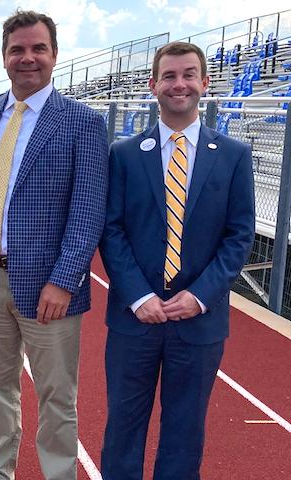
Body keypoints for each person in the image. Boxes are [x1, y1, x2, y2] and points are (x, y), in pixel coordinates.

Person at [0, 9, 108, 480]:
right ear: (3, 58)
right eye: (17, 49)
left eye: (38, 48)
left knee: (57, 397)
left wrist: (63, 281)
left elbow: (88, 211)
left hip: (50, 290)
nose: (28, 58)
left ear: (55, 55)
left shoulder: (82, 122)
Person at [98, 42, 255, 480]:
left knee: (185, 433)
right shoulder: (125, 154)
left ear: (205, 83)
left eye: (189, 75)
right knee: (123, 430)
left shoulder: (234, 155)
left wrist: (201, 296)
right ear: (153, 86)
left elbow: (239, 235)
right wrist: (138, 295)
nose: (179, 84)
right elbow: (111, 231)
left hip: (199, 322)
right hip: (135, 319)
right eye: (169, 76)